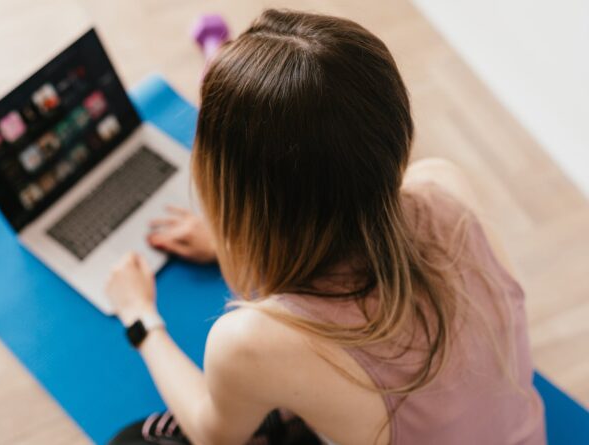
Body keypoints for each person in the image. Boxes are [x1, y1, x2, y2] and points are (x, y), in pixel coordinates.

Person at [105, 9, 545, 445]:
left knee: (133, 440)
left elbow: (212, 434)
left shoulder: (251, 341)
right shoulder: (446, 184)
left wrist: (140, 317)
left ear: (234, 195)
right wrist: (231, 243)